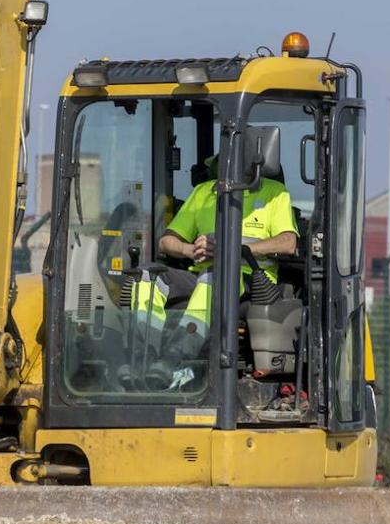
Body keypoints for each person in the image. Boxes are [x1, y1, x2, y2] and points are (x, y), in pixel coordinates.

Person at [124, 154, 298, 386]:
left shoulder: (274, 193)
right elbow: (166, 242)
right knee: (145, 277)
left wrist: (233, 248)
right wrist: (190, 249)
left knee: (216, 277)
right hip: (201, 272)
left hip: (249, 280)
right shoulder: (204, 193)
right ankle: (143, 358)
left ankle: (177, 358)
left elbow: (288, 242)